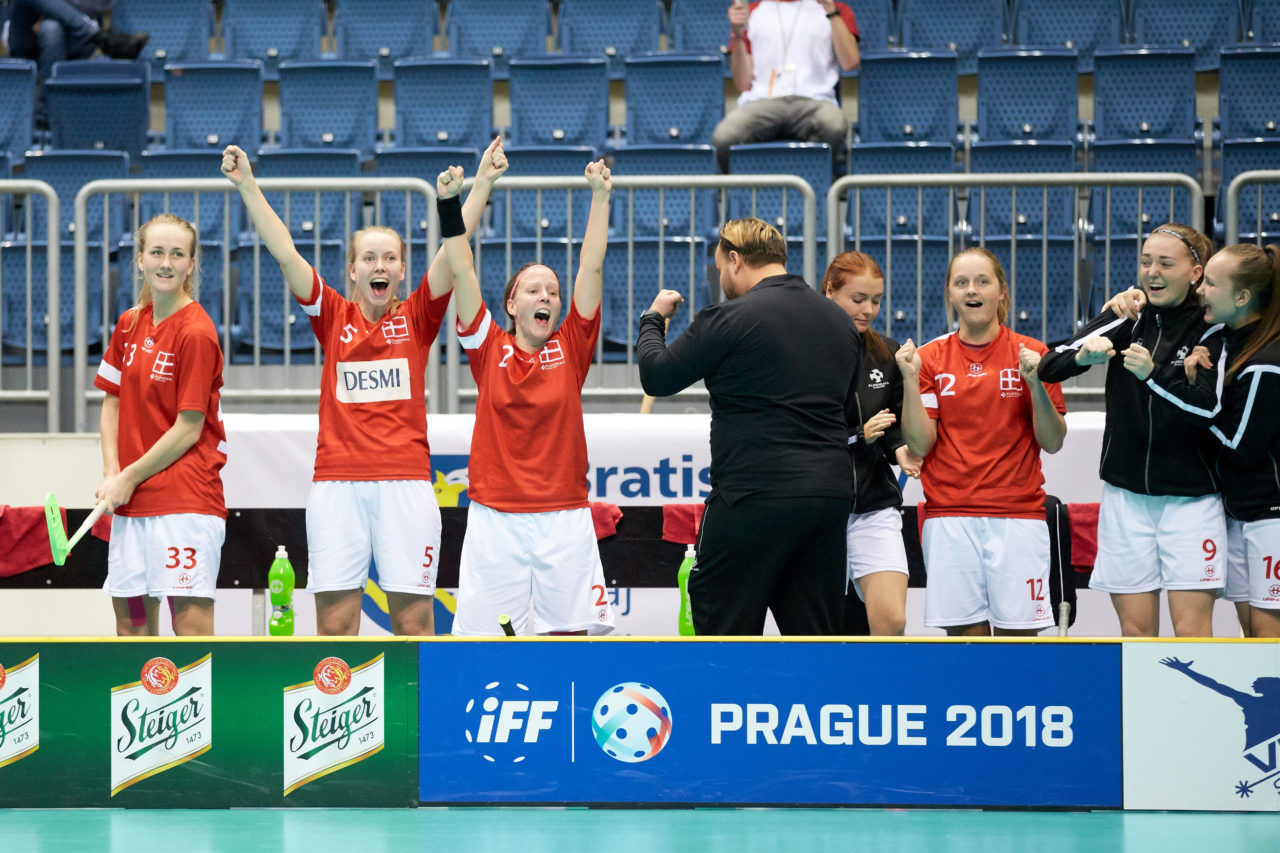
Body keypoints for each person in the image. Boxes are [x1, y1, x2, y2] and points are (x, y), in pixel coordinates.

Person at [220, 137, 507, 636]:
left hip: (406, 484)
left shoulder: (417, 317)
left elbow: (452, 254)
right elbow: (285, 252)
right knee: (335, 625)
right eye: (369, 258)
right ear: (352, 269)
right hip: (337, 485)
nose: (380, 266)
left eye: (390, 259)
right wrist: (247, 185)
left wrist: (481, 184)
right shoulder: (332, 314)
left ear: (402, 270)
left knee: (415, 623)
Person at [637, 217, 859, 636]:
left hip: (751, 495)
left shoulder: (728, 317)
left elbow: (657, 376)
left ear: (736, 260)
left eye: (721, 266)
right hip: (828, 498)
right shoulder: (840, 321)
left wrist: (652, 320)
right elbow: (845, 408)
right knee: (816, 639)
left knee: (724, 635)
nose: (721, 276)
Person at [437, 153, 616, 637]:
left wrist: (601, 197)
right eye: (533, 290)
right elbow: (461, 269)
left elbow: (591, 266)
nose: (546, 297)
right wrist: (452, 203)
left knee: (571, 639)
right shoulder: (487, 345)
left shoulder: (572, 346)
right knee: (485, 643)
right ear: (512, 305)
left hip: (564, 515)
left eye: (552, 292)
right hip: (495, 516)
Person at [1038, 224, 1225, 638]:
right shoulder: (1128, 316)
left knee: (1193, 632)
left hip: (1192, 498)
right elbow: (1050, 364)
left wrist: (1153, 374)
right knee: (1136, 632)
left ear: (1195, 273)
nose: (1152, 272)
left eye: (1165, 263)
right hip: (1126, 497)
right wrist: (1084, 356)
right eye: (1145, 262)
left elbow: (1209, 409)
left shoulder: (1212, 328)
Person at [896, 247, 1067, 637]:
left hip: (1018, 517)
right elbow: (919, 446)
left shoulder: (1034, 354)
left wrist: (1034, 383)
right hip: (949, 518)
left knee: (1018, 642)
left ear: (1001, 291)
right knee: (965, 644)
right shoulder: (928, 359)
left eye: (982, 281)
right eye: (961, 283)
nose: (972, 290)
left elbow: (1053, 441)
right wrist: (908, 380)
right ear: (950, 294)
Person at [94, 213, 224, 636]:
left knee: (190, 632)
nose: (166, 263)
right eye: (156, 252)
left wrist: (127, 476)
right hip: (131, 504)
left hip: (184, 505)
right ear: (140, 260)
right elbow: (112, 402)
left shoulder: (197, 332)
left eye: (177, 254)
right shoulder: (128, 324)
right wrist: (112, 472)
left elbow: (189, 427)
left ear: (191, 264)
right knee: (132, 628)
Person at [1147, 243, 1280, 638]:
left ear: (1242, 297)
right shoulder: (1232, 343)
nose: (1200, 290)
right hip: (1240, 514)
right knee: (1250, 635)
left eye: (1210, 284)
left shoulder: (1266, 364)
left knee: (1267, 634)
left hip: (1271, 517)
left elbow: (1240, 445)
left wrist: (1190, 397)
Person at [821, 251, 920, 636]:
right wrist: (858, 435)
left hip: (873, 505)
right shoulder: (804, 351)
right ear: (830, 291)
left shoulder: (886, 352)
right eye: (858, 299)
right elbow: (799, 432)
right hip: (816, 509)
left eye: (876, 300)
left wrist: (900, 448)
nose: (869, 310)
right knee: (823, 630)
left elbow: (891, 421)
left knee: (892, 621)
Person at [712, 0, 859, 173]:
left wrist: (831, 12)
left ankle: (812, 181)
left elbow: (850, 63)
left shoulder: (837, 9)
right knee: (724, 137)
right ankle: (749, 187)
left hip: (815, 101)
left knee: (834, 125)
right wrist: (737, 35)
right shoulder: (751, 12)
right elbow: (743, 84)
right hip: (762, 101)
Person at [5, 0, 149, 127]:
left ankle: (46, 115)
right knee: (51, 29)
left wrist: (59, 8)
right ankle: (102, 38)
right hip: (27, 37)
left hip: (73, 36)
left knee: (51, 27)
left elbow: (100, 5)